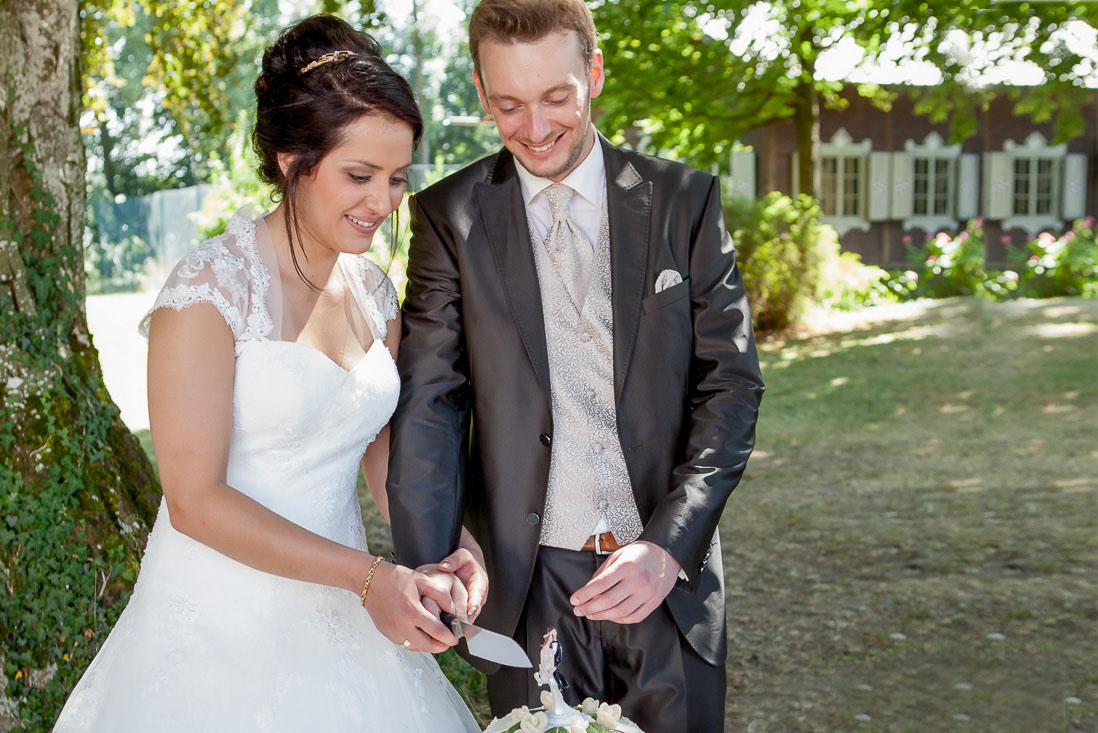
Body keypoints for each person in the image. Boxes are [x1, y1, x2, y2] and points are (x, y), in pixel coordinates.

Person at [54, 15, 483, 732]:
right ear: (292, 158)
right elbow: (193, 499)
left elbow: (384, 449)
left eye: (397, 178)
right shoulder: (207, 291)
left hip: (348, 606)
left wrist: (450, 547)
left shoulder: (376, 293)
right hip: (222, 622)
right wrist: (369, 576)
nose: (382, 202)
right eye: (359, 175)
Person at [386, 0, 765, 730]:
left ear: (593, 73)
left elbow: (732, 386)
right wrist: (432, 559)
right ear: (480, 93)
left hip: (667, 582)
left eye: (556, 97)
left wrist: (668, 545)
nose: (535, 128)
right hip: (530, 591)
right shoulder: (448, 219)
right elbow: (429, 401)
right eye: (508, 105)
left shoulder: (684, 202)